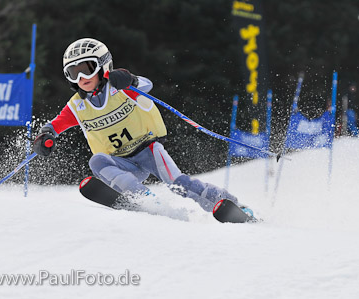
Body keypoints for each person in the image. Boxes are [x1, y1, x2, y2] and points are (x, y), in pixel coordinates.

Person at [33, 38, 239, 213]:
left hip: (148, 150)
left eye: (87, 69)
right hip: (123, 162)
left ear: (103, 66)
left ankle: (231, 204)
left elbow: (147, 84)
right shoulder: (77, 105)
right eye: (73, 73)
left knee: (179, 185)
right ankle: (144, 200)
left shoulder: (120, 88)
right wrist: (45, 135)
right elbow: (56, 124)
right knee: (97, 162)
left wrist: (129, 79)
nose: (81, 78)